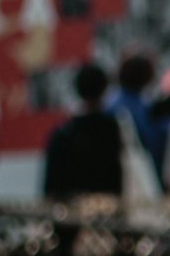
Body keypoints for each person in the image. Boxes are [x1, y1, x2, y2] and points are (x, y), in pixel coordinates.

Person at [41, 61, 129, 198]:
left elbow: (51, 186)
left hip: (71, 213)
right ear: (104, 89)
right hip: (108, 210)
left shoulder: (63, 133)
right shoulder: (113, 129)